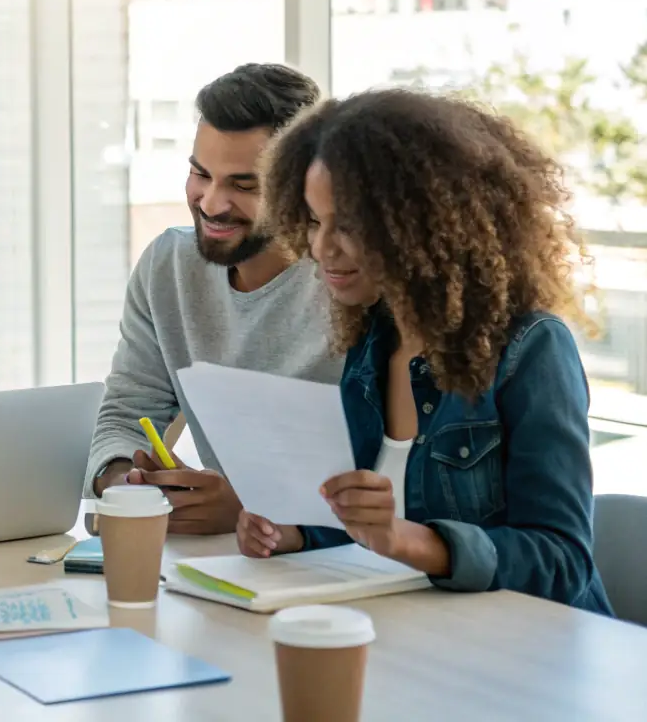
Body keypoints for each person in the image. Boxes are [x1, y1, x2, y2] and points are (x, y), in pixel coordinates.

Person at [238, 89, 612, 614]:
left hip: (533, 646)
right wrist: (294, 533)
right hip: (417, 631)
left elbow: (562, 561)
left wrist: (413, 542)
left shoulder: (532, 347)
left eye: (349, 225)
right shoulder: (373, 340)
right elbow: (366, 526)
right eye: (316, 222)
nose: (321, 248)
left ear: (423, 224)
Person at [88, 63, 343, 535]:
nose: (210, 202)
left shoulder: (349, 282)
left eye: (244, 186)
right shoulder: (168, 266)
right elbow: (126, 411)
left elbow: (404, 482)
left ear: (305, 187)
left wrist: (251, 509)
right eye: (199, 173)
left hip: (339, 557)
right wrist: (129, 487)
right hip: (224, 558)